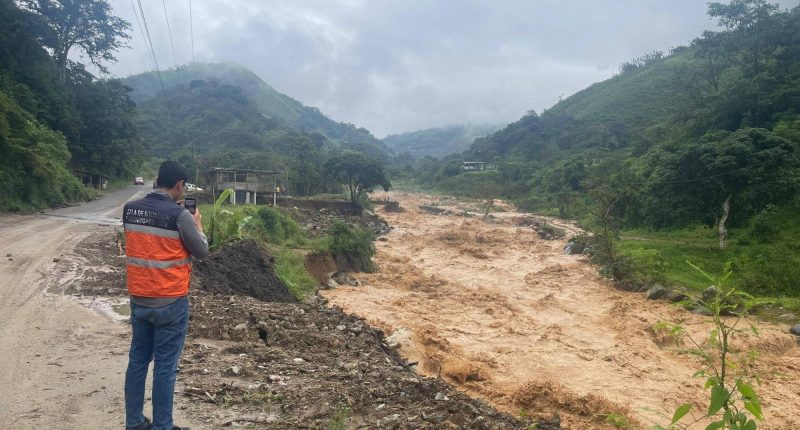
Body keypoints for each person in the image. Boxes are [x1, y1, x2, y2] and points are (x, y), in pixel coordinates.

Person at [122, 161, 208, 430]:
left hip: (139, 298)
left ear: (158, 180)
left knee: (138, 360)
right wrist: (198, 225)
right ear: (179, 185)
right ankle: (162, 426)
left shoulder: (130, 209)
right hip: (171, 301)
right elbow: (201, 250)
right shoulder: (180, 215)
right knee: (165, 366)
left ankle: (134, 423)